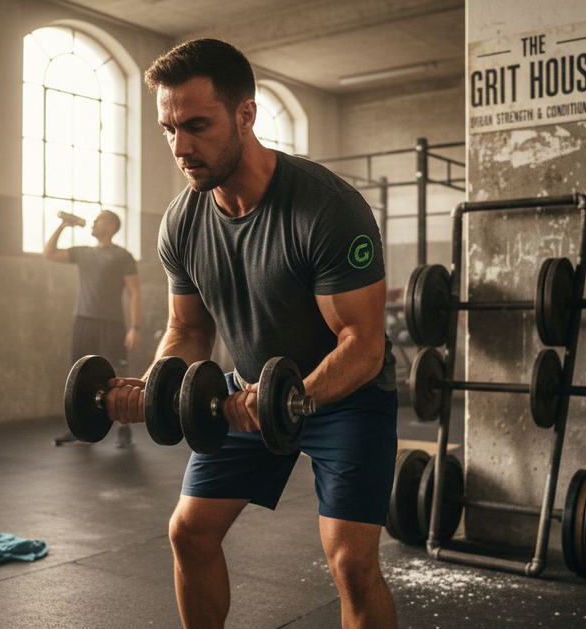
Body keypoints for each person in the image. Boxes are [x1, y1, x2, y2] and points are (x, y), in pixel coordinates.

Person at [106, 39, 399, 628]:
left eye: (197, 125)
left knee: (350, 564)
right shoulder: (182, 221)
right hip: (244, 392)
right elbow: (187, 330)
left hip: (345, 399)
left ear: (246, 114)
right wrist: (159, 385)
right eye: (168, 128)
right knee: (189, 533)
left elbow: (364, 348)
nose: (181, 147)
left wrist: (288, 402)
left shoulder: (326, 209)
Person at [44, 210, 141, 448]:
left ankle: (124, 429)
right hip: (84, 321)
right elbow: (49, 253)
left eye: (99, 219)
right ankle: (78, 428)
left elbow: (134, 292)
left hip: (112, 323)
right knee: (79, 376)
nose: (94, 222)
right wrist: (64, 225)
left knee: (116, 375)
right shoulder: (83, 252)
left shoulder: (122, 255)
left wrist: (135, 327)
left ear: (110, 226)